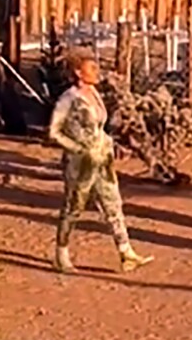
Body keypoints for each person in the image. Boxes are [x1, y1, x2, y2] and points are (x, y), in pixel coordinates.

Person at [44, 51, 155, 274]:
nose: (97, 72)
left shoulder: (93, 93)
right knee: (74, 207)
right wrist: (78, 148)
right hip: (79, 164)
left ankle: (126, 253)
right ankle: (61, 254)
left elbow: (99, 127)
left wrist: (111, 146)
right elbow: (53, 132)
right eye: (92, 68)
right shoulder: (69, 98)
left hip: (102, 159)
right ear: (78, 72)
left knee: (113, 203)